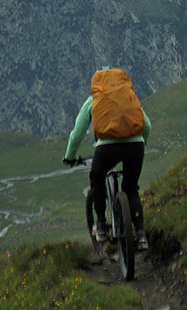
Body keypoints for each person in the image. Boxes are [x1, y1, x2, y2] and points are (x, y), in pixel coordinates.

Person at [63, 66, 151, 251]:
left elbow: (77, 134)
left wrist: (69, 157)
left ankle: (101, 227)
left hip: (107, 148)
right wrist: (142, 144)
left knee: (96, 178)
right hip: (135, 146)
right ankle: (141, 235)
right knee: (131, 189)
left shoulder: (94, 99)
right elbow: (147, 125)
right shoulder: (127, 96)